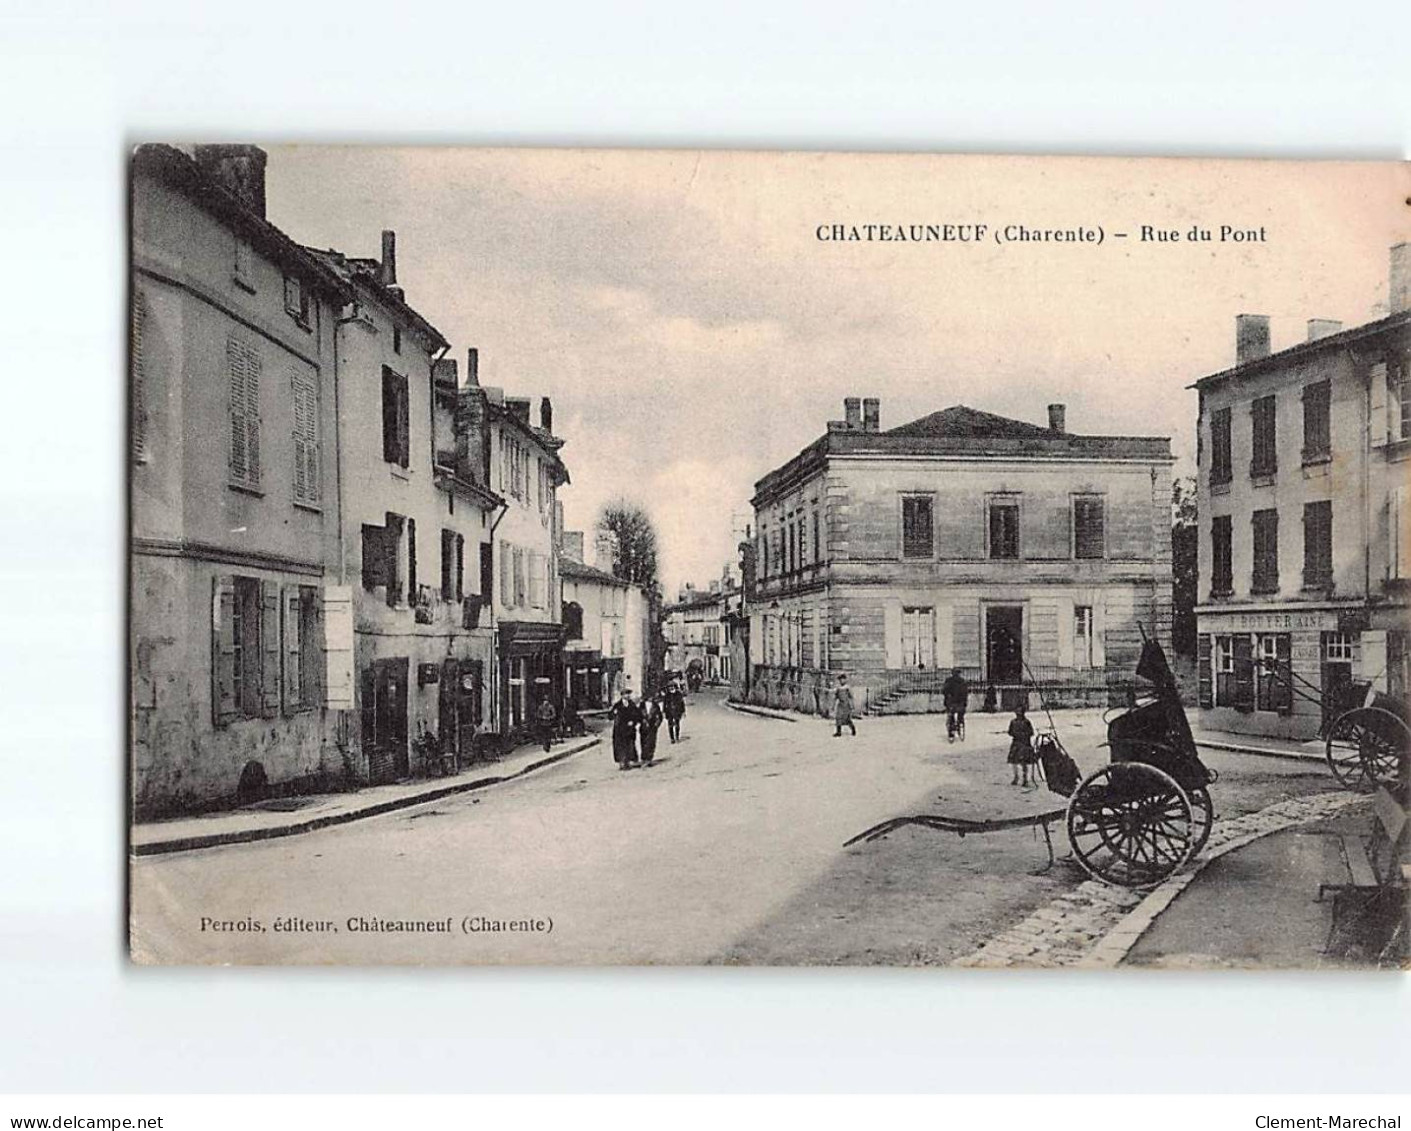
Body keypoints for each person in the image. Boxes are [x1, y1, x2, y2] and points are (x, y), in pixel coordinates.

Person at [608, 688, 641, 770]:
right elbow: (610, 716)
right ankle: (622, 762)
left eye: (629, 694)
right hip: (620, 730)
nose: (628, 695)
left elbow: (637, 715)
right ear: (622, 695)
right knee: (620, 746)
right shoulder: (617, 705)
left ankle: (629, 761)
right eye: (626, 694)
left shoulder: (632, 704)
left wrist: (633, 722)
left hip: (630, 729)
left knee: (630, 745)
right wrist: (613, 713)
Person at [1006, 702, 1037, 787]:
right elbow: (1010, 732)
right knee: (1014, 762)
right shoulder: (1013, 722)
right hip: (1016, 743)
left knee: (1024, 762)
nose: (1018, 714)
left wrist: (1023, 735)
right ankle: (1016, 777)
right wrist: (1015, 734)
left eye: (1020, 712)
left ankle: (1025, 779)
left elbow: (1031, 732)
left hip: (1024, 744)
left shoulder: (1027, 722)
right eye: (1017, 712)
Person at [941, 668, 970, 742]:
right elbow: (965, 692)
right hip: (960, 703)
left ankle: (951, 732)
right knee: (960, 714)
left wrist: (947, 697)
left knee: (951, 715)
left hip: (951, 703)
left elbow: (944, 691)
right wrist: (965, 702)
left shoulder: (949, 681)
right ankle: (960, 722)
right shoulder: (962, 681)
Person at [639, 695, 664, 765]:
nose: (651, 698)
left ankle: (649, 758)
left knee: (651, 742)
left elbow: (660, 716)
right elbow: (638, 715)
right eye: (650, 696)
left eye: (652, 697)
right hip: (643, 727)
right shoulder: (641, 705)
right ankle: (644, 758)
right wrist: (641, 721)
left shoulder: (656, 706)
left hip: (652, 727)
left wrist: (656, 724)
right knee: (643, 742)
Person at [832, 673, 857, 738]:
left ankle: (853, 730)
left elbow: (851, 697)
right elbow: (836, 697)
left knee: (847, 719)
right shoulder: (838, 688)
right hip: (840, 705)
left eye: (842, 680)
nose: (841, 681)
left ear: (845, 680)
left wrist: (852, 705)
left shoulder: (847, 688)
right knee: (838, 718)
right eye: (840, 680)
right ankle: (838, 732)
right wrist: (833, 705)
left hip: (846, 705)